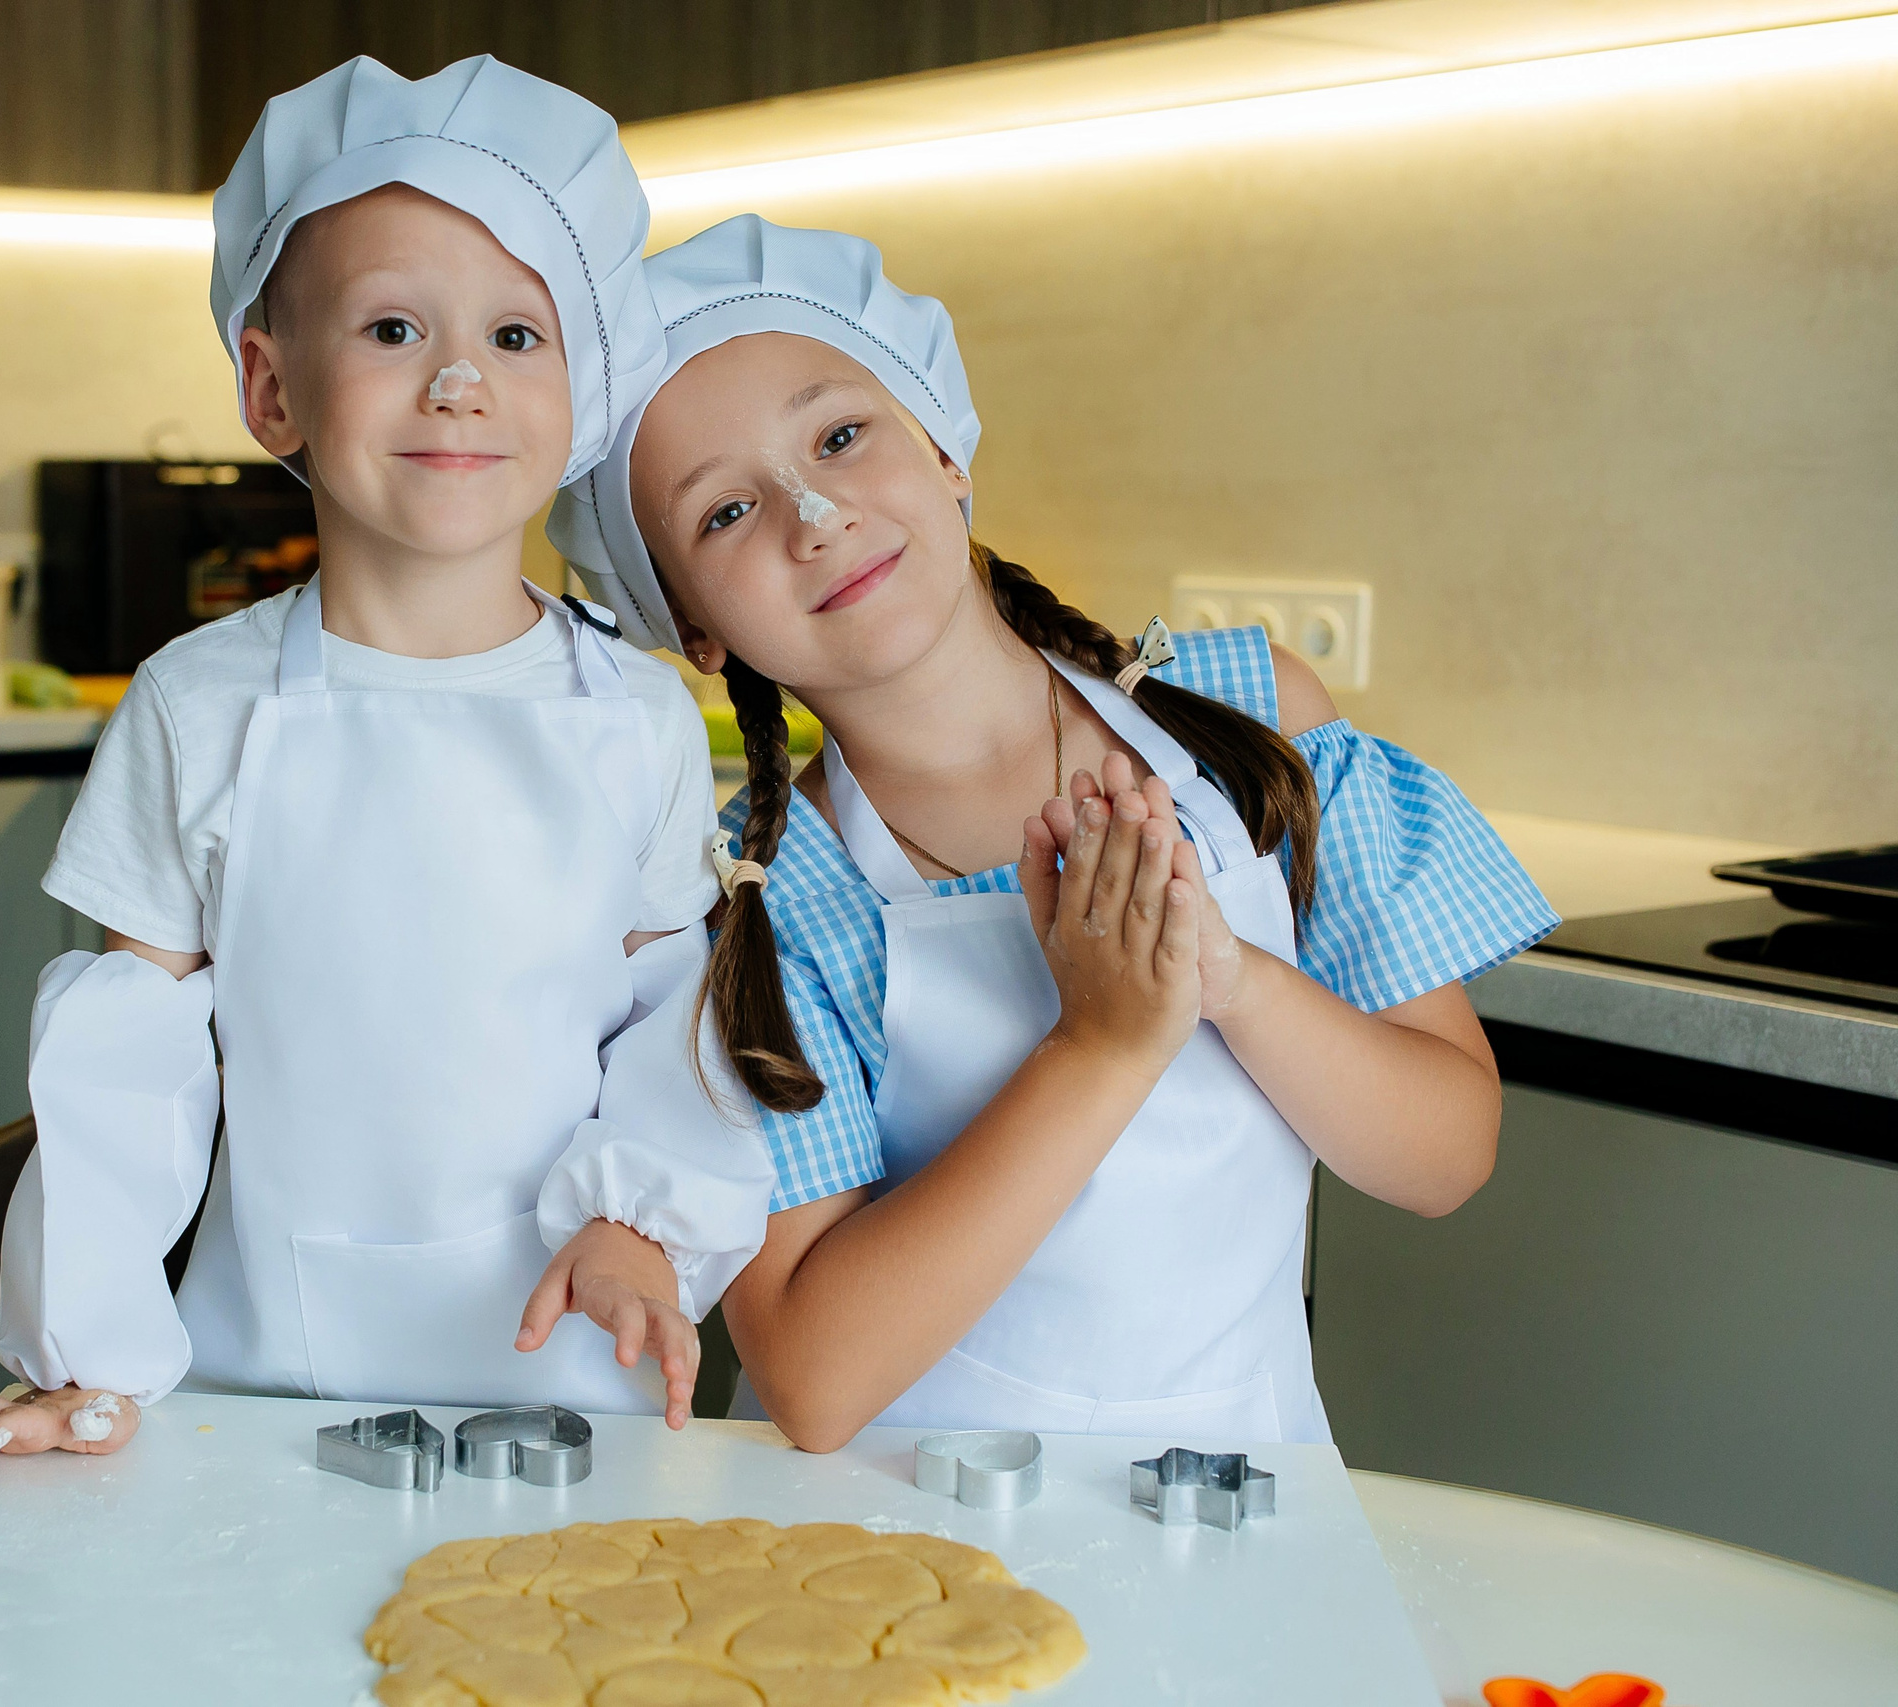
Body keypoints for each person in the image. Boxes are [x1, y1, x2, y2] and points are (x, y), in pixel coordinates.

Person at [547, 216, 1559, 1450]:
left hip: (1245, 1495)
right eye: (725, 513)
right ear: (691, 632)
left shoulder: (1255, 731)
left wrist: (1228, 981)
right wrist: (1102, 1048)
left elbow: (1445, 1159)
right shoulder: (762, 899)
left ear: (945, 450)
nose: (813, 515)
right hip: (897, 1540)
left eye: (841, 436)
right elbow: (814, 1382)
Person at [0, 60, 773, 1471]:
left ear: (584, 394)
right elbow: (124, 1056)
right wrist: (90, 1362)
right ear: (270, 387)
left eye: (515, 332)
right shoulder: (199, 703)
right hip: (263, 1386)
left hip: (568, 1377)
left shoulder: (635, 710)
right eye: (391, 326)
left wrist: (646, 1222)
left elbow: (673, 1012)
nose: (459, 378)